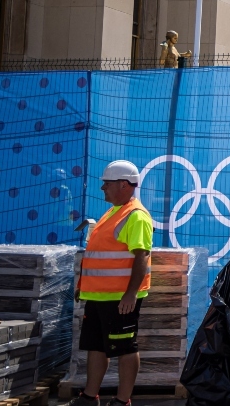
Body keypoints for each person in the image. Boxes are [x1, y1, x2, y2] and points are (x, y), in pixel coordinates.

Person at [68, 160, 153, 406]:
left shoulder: (136, 216)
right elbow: (98, 255)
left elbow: (142, 256)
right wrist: (82, 287)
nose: (102, 188)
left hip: (119, 298)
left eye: (107, 184)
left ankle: (121, 400)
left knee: (125, 347)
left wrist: (131, 294)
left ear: (124, 185)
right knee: (96, 346)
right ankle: (89, 396)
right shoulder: (113, 212)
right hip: (98, 296)